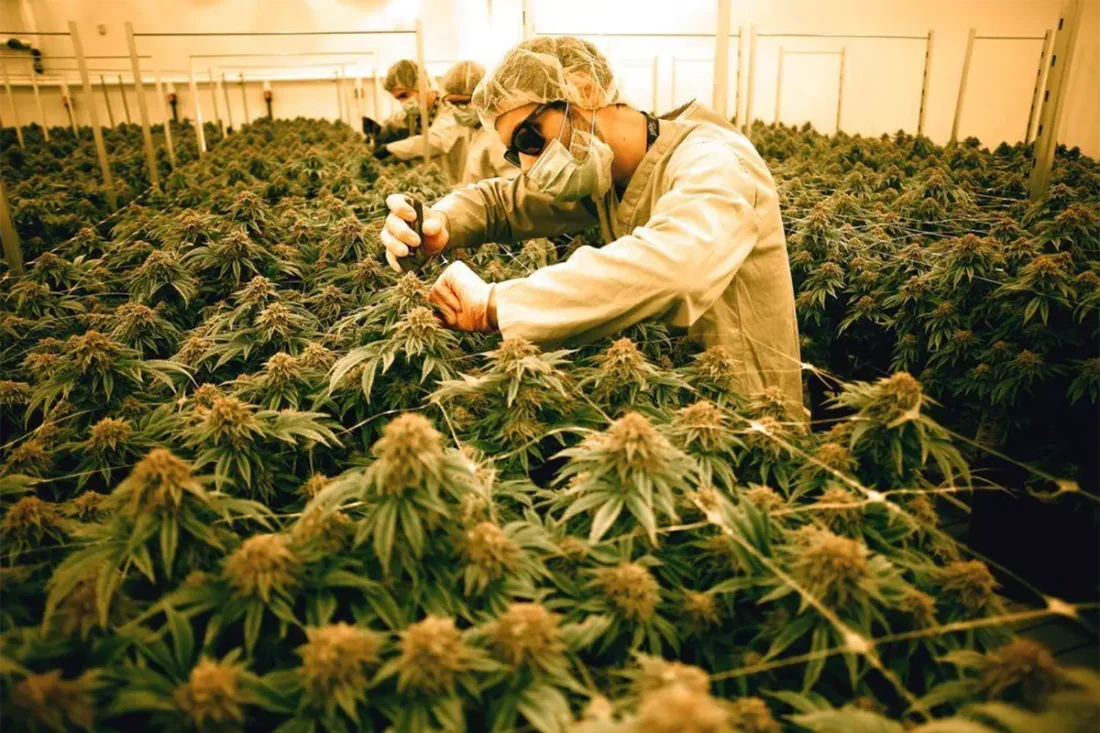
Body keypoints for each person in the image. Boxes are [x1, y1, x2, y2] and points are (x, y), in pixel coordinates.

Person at [379, 37, 804, 417]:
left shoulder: (714, 161)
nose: (529, 163)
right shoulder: (607, 174)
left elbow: (676, 266)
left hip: (748, 410)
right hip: (670, 404)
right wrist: (440, 221)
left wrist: (497, 302)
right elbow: (505, 203)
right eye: (516, 152)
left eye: (530, 138)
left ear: (583, 89)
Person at [382, 61, 513, 185]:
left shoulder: (497, 138)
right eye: (453, 103)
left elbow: (437, 141)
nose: (457, 109)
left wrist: (390, 149)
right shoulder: (474, 131)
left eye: (463, 102)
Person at [363, 59, 440, 148]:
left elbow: (435, 141)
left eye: (404, 95)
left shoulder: (448, 109)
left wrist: (391, 149)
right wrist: (379, 130)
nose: (403, 103)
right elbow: (398, 120)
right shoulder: (414, 114)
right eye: (398, 99)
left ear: (421, 85)